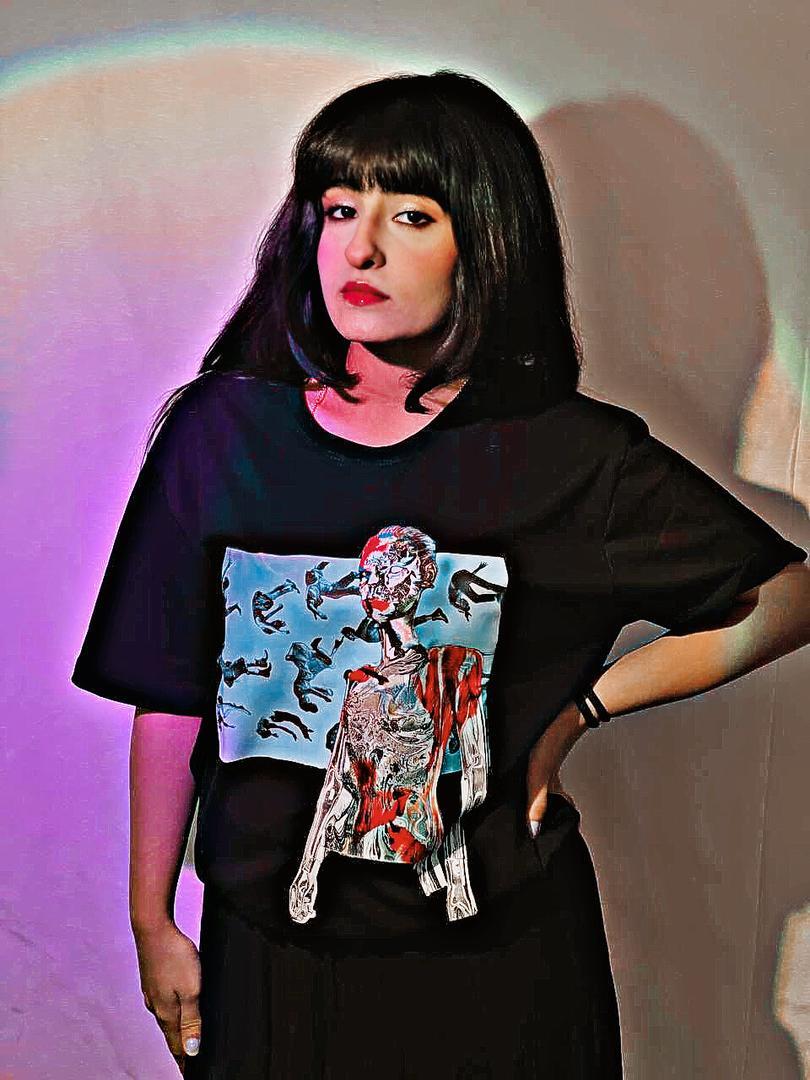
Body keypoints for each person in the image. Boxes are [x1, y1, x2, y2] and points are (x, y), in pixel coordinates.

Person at [71, 70, 809, 1078]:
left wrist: (581, 711)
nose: (360, 248)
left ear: (486, 241)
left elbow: (785, 596)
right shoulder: (223, 433)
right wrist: (152, 919)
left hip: (497, 970)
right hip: (271, 960)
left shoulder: (565, 457)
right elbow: (170, 690)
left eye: (411, 216)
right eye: (340, 209)